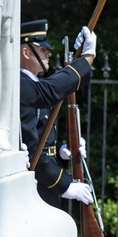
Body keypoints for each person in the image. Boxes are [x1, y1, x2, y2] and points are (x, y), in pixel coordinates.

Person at [19, 19, 97, 211]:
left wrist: (62, 152)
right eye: (42, 49)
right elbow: (31, 148)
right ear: (26, 52)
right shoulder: (21, 84)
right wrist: (64, 184)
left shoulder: (32, 82)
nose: (49, 53)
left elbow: (42, 141)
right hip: (37, 185)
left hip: (45, 184)